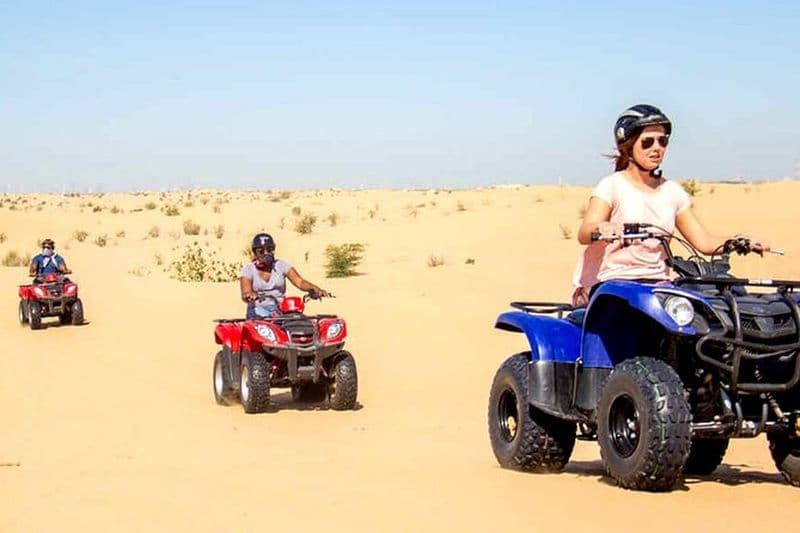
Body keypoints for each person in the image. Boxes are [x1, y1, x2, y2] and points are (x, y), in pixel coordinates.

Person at [572, 104, 769, 307]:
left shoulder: (672, 192)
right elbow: (584, 233)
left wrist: (739, 241)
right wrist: (601, 228)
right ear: (628, 145)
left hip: (658, 286)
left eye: (662, 141)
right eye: (647, 142)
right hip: (614, 284)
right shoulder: (612, 185)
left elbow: (705, 243)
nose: (657, 148)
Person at [240, 233, 330, 319]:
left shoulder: (281, 265)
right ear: (255, 253)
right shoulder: (248, 269)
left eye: (269, 249)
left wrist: (314, 289)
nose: (266, 253)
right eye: (261, 251)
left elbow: (299, 282)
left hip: (281, 309)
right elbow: (245, 292)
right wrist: (250, 295)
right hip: (259, 310)